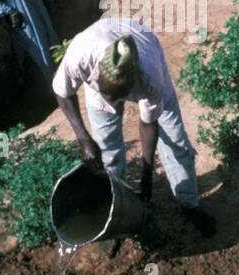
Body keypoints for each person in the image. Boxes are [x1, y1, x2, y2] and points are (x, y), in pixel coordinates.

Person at [52, 17, 216, 237]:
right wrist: (83, 138)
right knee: (107, 151)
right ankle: (116, 211)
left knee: (176, 143)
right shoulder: (81, 54)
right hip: (100, 56)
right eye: (106, 92)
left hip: (146, 47)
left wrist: (147, 174)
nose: (111, 101)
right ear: (98, 71)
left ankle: (189, 204)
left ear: (131, 84)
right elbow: (62, 93)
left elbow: (148, 124)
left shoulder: (151, 77)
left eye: (117, 96)